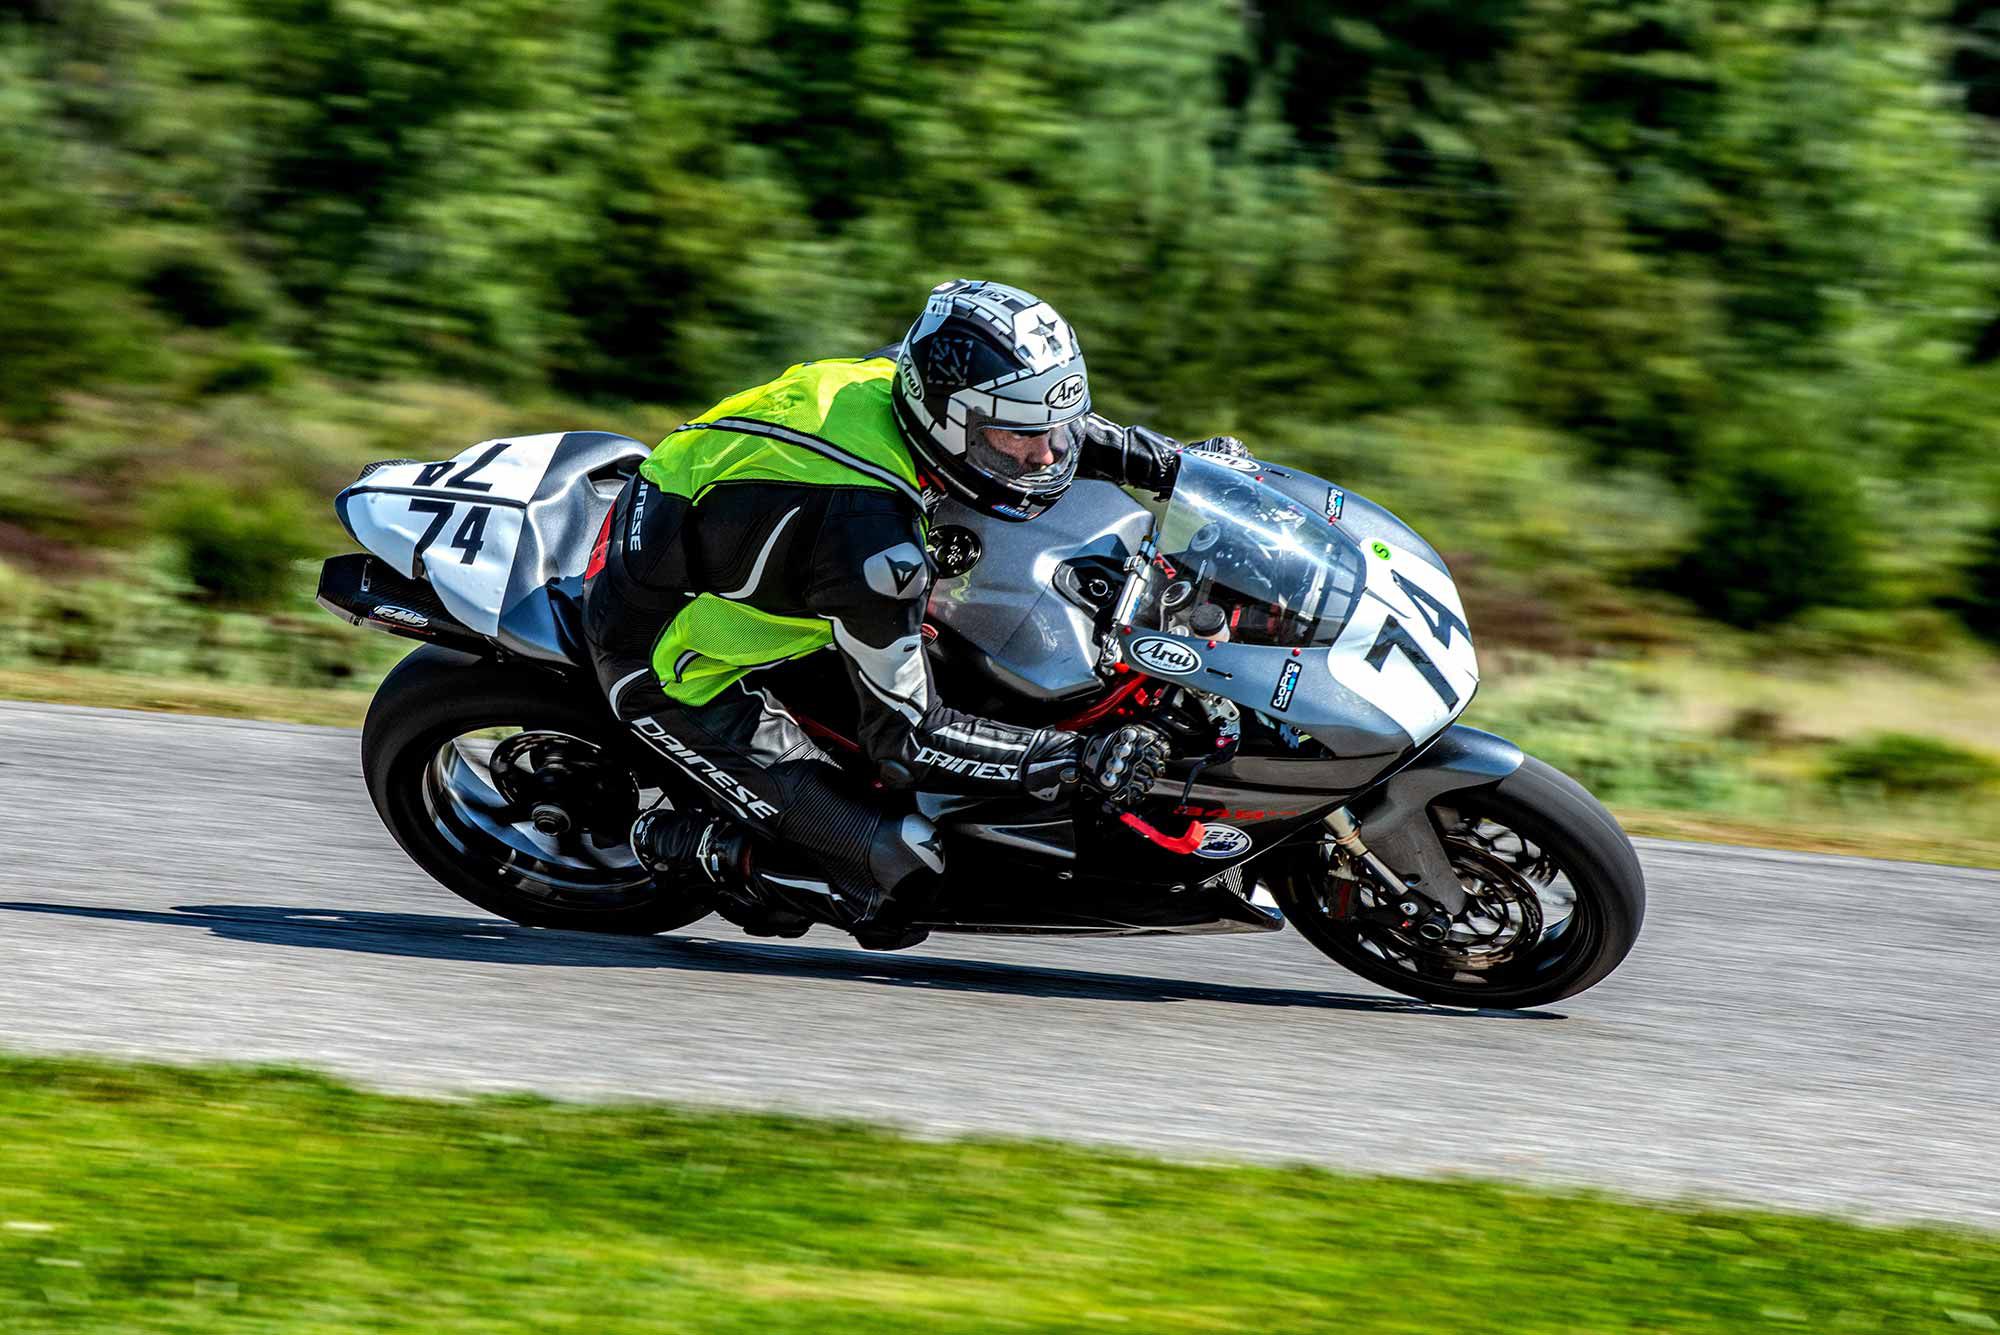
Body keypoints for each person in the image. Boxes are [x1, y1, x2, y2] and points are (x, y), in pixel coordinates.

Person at [580, 278, 1236, 948]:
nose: (1048, 453)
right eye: (1019, 435)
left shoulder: (907, 373)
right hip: (665, 656)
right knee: (903, 874)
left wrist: (1179, 468)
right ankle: (705, 847)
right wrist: (1077, 758)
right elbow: (909, 741)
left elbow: (1046, 424)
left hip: (700, 511)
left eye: (1054, 426)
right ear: (951, 422)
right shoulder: (874, 547)